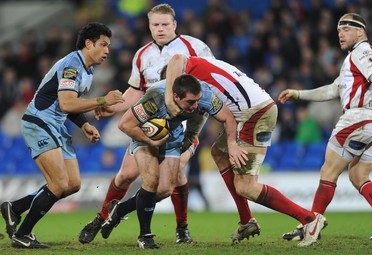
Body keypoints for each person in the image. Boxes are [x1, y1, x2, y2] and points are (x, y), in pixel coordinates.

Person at [79, 3, 258, 245]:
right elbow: (135, 94)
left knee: (175, 178)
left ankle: (181, 227)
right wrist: (110, 108)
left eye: (165, 24)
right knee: (125, 176)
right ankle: (102, 217)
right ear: (149, 26)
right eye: (155, 24)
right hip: (153, 124)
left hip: (187, 126)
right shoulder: (142, 55)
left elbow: (207, 89)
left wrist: (206, 126)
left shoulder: (195, 47)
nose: (160, 29)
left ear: (174, 25)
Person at [164, 54, 328, 247]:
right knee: (218, 152)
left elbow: (175, 58)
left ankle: (309, 219)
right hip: (249, 112)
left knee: (246, 187)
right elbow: (200, 118)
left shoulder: (182, 71)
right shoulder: (198, 81)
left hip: (255, 114)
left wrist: (168, 99)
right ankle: (246, 221)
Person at [0, 22, 124, 249]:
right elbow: (67, 103)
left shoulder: (88, 70)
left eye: (109, 46)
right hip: (39, 123)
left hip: (56, 126)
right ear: (89, 44)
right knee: (57, 183)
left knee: (72, 184)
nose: (108, 50)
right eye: (103, 45)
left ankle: (15, 208)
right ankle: (23, 235)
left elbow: (68, 104)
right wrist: (102, 99)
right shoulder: (72, 66)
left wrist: (84, 125)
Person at [278, 13, 372, 241]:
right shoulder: (352, 59)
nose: (340, 34)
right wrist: (298, 94)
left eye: (345, 29)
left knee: (328, 171)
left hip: (358, 119)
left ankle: (310, 225)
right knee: (358, 175)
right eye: (338, 30)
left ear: (360, 32)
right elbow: (333, 90)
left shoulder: (363, 52)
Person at [101, 74, 247, 249]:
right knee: (151, 181)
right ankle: (144, 235)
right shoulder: (155, 97)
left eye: (197, 101)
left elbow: (228, 117)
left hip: (172, 137)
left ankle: (120, 210)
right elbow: (125, 124)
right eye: (191, 102)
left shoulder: (205, 95)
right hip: (144, 135)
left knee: (165, 189)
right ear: (176, 97)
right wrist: (151, 141)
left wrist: (232, 144)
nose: (195, 106)